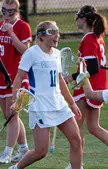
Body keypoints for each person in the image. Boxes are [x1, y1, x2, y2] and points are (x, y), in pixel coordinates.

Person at [8, 20, 83, 169]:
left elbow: (60, 81)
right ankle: (15, 168)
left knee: (76, 140)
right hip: (40, 105)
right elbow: (18, 77)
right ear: (41, 36)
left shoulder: (56, 54)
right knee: (41, 151)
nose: (57, 35)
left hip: (59, 104)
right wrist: (15, 100)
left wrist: (72, 103)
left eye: (58, 32)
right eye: (52, 32)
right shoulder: (31, 53)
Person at [63, 5, 108, 168]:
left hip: (88, 88)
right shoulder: (97, 37)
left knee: (76, 129)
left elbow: (92, 68)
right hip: (97, 86)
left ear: (83, 19)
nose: (76, 19)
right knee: (93, 127)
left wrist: (70, 78)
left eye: (78, 16)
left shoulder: (89, 39)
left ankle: (76, 165)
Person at [0, 0, 32, 164]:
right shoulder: (0, 25)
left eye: (11, 12)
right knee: (7, 114)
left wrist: (11, 33)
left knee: (12, 115)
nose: (6, 15)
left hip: (17, 78)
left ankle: (7, 152)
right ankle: (24, 148)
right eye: (4, 11)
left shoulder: (22, 27)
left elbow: (26, 52)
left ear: (17, 11)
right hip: (2, 78)